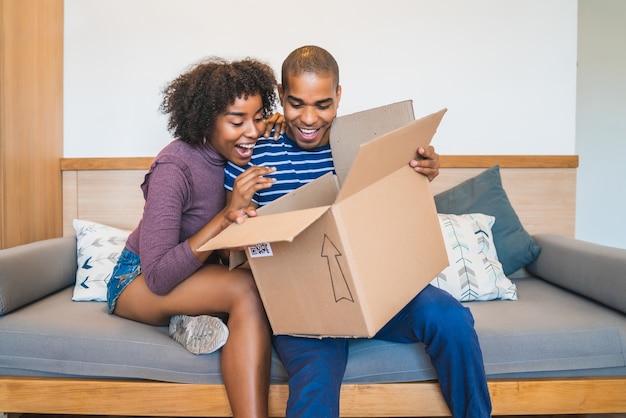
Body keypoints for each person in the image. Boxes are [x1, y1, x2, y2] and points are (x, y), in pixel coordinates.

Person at [224, 46, 492, 417]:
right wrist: (238, 215)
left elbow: (399, 205)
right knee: (316, 376)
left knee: (450, 318)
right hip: (303, 301)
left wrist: (422, 172)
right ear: (281, 97)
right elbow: (231, 249)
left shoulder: (364, 145)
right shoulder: (255, 151)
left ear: (339, 96)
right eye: (296, 103)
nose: (309, 118)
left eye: (322, 105)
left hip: (375, 286)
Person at [107, 56, 280, 418]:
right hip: (136, 279)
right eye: (237, 121)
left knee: (259, 281)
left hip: (191, 275)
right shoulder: (175, 168)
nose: (251, 131)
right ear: (206, 120)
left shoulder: (241, 150)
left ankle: (184, 322)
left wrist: (284, 124)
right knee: (245, 291)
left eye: (259, 116)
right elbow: (157, 276)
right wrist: (225, 215)